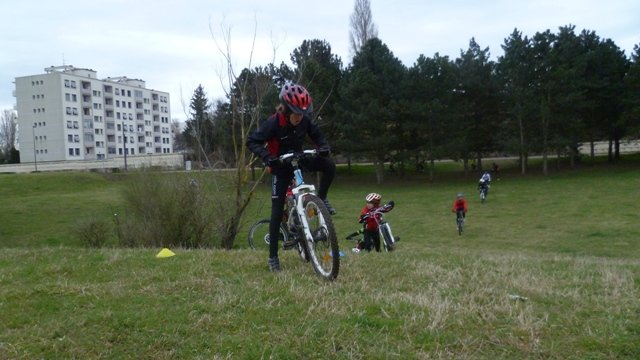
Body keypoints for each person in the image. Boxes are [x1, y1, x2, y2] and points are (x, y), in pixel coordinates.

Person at [246, 82, 336, 272]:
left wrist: (323, 147)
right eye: (296, 113)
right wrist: (267, 157)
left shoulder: (304, 120)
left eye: (302, 113)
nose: (299, 117)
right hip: (280, 167)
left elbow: (318, 135)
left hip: (299, 159)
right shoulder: (273, 123)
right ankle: (273, 257)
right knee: (277, 213)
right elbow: (252, 141)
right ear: (286, 110)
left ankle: (322, 199)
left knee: (329, 166)